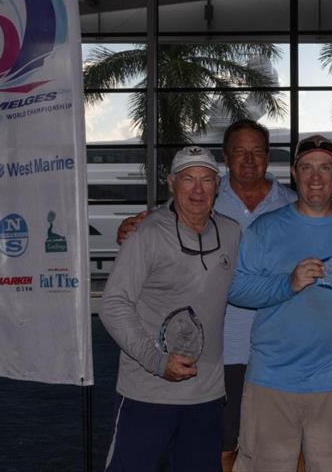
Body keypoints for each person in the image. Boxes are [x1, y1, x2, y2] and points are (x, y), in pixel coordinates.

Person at [115, 119, 297, 472]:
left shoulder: (290, 204)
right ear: (226, 158)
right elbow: (159, 233)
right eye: (239, 151)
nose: (248, 159)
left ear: (268, 157)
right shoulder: (195, 205)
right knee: (221, 450)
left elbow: (323, 224)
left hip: (278, 354)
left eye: (257, 151)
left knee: (283, 450)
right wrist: (130, 230)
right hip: (222, 357)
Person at [228, 134, 332, 472]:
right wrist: (287, 284)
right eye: (307, 168)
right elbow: (236, 289)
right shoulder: (265, 228)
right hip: (271, 380)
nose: (316, 177)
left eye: (325, 168)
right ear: (294, 173)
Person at [100, 146, 242, 472]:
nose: (197, 189)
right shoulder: (146, 234)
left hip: (206, 396)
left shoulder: (232, 233)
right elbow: (113, 305)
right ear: (171, 183)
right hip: (146, 392)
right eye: (188, 179)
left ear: (217, 186)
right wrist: (157, 361)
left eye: (206, 179)